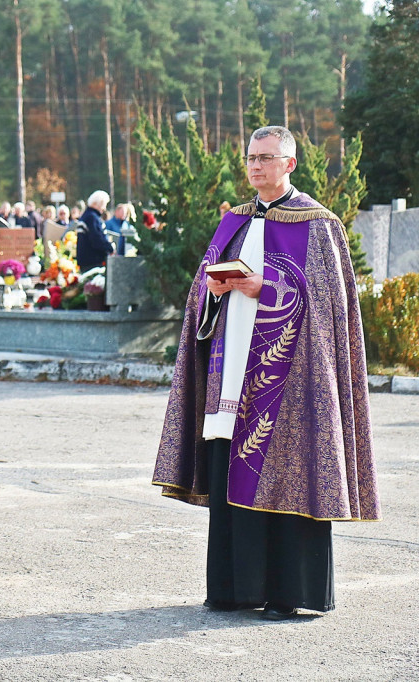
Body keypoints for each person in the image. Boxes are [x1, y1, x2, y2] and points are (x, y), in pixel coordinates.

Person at [152, 126, 380, 620]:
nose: (255, 166)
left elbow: (329, 309)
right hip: (229, 369)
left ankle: (287, 594)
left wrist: (268, 286)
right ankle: (234, 588)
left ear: (290, 163)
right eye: (251, 158)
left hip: (293, 383)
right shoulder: (231, 221)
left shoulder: (319, 226)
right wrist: (211, 295)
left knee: (286, 474)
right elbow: (199, 295)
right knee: (230, 468)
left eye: (266, 158)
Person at [75, 190, 114, 271]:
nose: (104, 208)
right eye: (104, 205)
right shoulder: (92, 218)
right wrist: (110, 248)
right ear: (97, 203)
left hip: (86, 260)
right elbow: (97, 239)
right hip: (92, 261)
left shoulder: (87, 216)